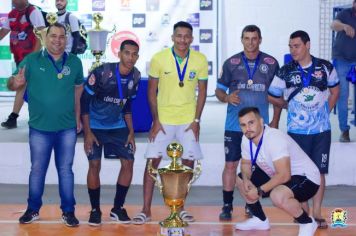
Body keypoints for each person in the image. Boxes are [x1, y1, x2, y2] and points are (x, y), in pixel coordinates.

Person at [132, 21, 208, 225]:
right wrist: (155, 120)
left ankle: (180, 208)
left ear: (191, 39)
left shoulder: (200, 60)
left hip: (188, 121)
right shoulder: (159, 59)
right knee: (152, 164)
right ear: (173, 37)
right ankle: (145, 210)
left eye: (186, 36)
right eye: (179, 36)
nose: (183, 40)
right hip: (163, 121)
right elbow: (151, 92)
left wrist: (197, 120)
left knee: (188, 164)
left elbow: (202, 93)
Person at [8, 23, 83, 227]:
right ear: (45, 38)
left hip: (67, 128)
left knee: (66, 170)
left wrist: (77, 117)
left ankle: (68, 211)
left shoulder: (75, 63)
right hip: (40, 128)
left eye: (61, 37)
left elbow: (78, 92)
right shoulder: (31, 60)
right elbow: (11, 83)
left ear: (66, 39)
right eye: (53, 36)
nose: (57, 40)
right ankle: (33, 209)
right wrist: (16, 81)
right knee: (38, 170)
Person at [268, 30, 339, 229]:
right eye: (290, 47)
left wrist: (327, 109)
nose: (293, 50)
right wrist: (285, 106)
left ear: (307, 45)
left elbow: (335, 90)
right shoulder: (285, 70)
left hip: (321, 131)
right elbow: (272, 95)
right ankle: (304, 212)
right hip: (296, 132)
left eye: (296, 46)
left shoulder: (325, 67)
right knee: (300, 173)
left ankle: (317, 212)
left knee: (319, 171)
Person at [215, 25, 280, 221]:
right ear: (241, 39)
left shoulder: (271, 63)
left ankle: (250, 203)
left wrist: (275, 121)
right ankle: (227, 205)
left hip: (260, 127)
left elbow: (278, 96)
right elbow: (218, 91)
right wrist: (226, 98)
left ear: (260, 40)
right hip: (235, 126)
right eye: (247, 38)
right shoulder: (231, 63)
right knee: (230, 165)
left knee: (255, 167)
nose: (250, 42)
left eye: (254, 38)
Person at [81, 40, 141, 226]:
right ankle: (95, 210)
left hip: (118, 126)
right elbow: (84, 102)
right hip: (95, 127)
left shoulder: (136, 75)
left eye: (134, 54)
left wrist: (131, 131)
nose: (130, 58)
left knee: (129, 162)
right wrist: (87, 132)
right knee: (94, 165)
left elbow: (127, 105)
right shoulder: (101, 72)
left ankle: (117, 208)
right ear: (119, 54)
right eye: (127, 53)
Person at [234, 107, 321, 236]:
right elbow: (246, 163)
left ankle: (307, 222)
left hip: (307, 179)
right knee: (240, 179)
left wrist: (259, 191)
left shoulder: (274, 138)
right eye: (243, 125)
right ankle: (260, 220)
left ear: (261, 121)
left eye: (251, 123)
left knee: (277, 195)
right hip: (278, 174)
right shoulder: (246, 139)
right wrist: (247, 180)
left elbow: (284, 175)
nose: (248, 128)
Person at [0, 0, 45, 129]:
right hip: (19, 57)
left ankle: (36, 117)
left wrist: (33, 58)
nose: (13, 1)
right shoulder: (11, 14)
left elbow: (42, 35)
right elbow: (3, 32)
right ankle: (14, 117)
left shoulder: (33, 11)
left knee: (36, 88)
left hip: (33, 58)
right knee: (21, 85)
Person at [330, 0, 356, 142]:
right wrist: (344, 26)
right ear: (354, 4)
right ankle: (344, 131)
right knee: (343, 95)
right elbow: (333, 25)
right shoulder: (345, 14)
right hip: (342, 60)